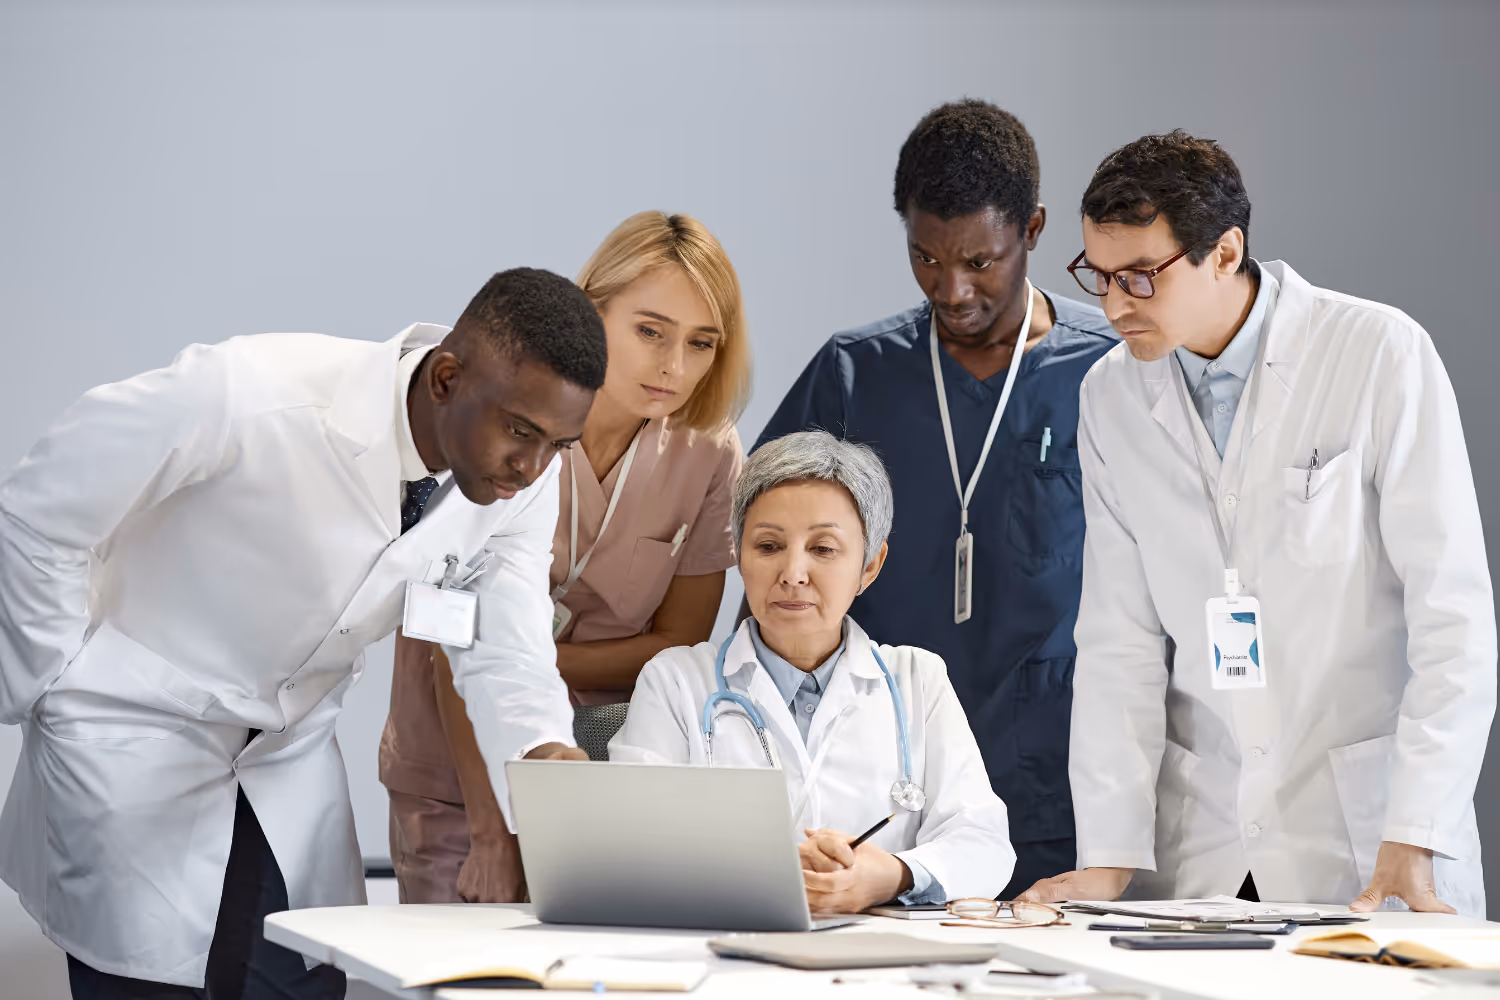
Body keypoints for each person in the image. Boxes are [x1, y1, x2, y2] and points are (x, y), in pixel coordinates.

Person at [0, 268, 603, 999]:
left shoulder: (518, 486)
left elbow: (504, 640)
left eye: (559, 445)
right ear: (447, 378)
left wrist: (543, 747)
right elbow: (37, 512)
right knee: (148, 982)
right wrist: (48, 684)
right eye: (521, 432)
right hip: (135, 735)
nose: (534, 467)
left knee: (301, 981)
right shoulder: (251, 393)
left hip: (286, 755)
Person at [1020, 131, 1495, 917]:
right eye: (1097, 276)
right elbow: (1118, 642)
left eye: (1139, 276)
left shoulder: (1378, 354)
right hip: (1203, 842)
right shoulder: (1110, 395)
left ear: (1225, 253)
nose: (1113, 305)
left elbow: (1455, 621)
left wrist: (1417, 827)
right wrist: (1107, 857)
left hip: (1364, 838)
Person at [753, 99, 1115, 896]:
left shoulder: (1111, 372)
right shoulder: (853, 375)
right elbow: (767, 555)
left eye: (980, 261)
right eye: (925, 258)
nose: (951, 289)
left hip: (1062, 785)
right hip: (879, 796)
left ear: (1033, 228)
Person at [379, 211, 751, 905]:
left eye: (701, 343)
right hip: (455, 765)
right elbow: (447, 632)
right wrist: (493, 832)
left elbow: (678, 644)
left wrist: (525, 656)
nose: (674, 367)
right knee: (463, 957)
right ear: (593, 310)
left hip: (605, 764)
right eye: (650, 331)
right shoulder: (505, 411)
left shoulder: (709, 453)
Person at [611, 430, 1014, 912]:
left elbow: (984, 842)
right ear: (738, 554)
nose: (793, 573)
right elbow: (629, 842)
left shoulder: (918, 679)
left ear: (870, 566)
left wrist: (888, 875)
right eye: (768, 546)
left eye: (823, 549)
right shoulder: (676, 681)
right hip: (730, 939)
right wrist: (772, 869)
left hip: (880, 949)